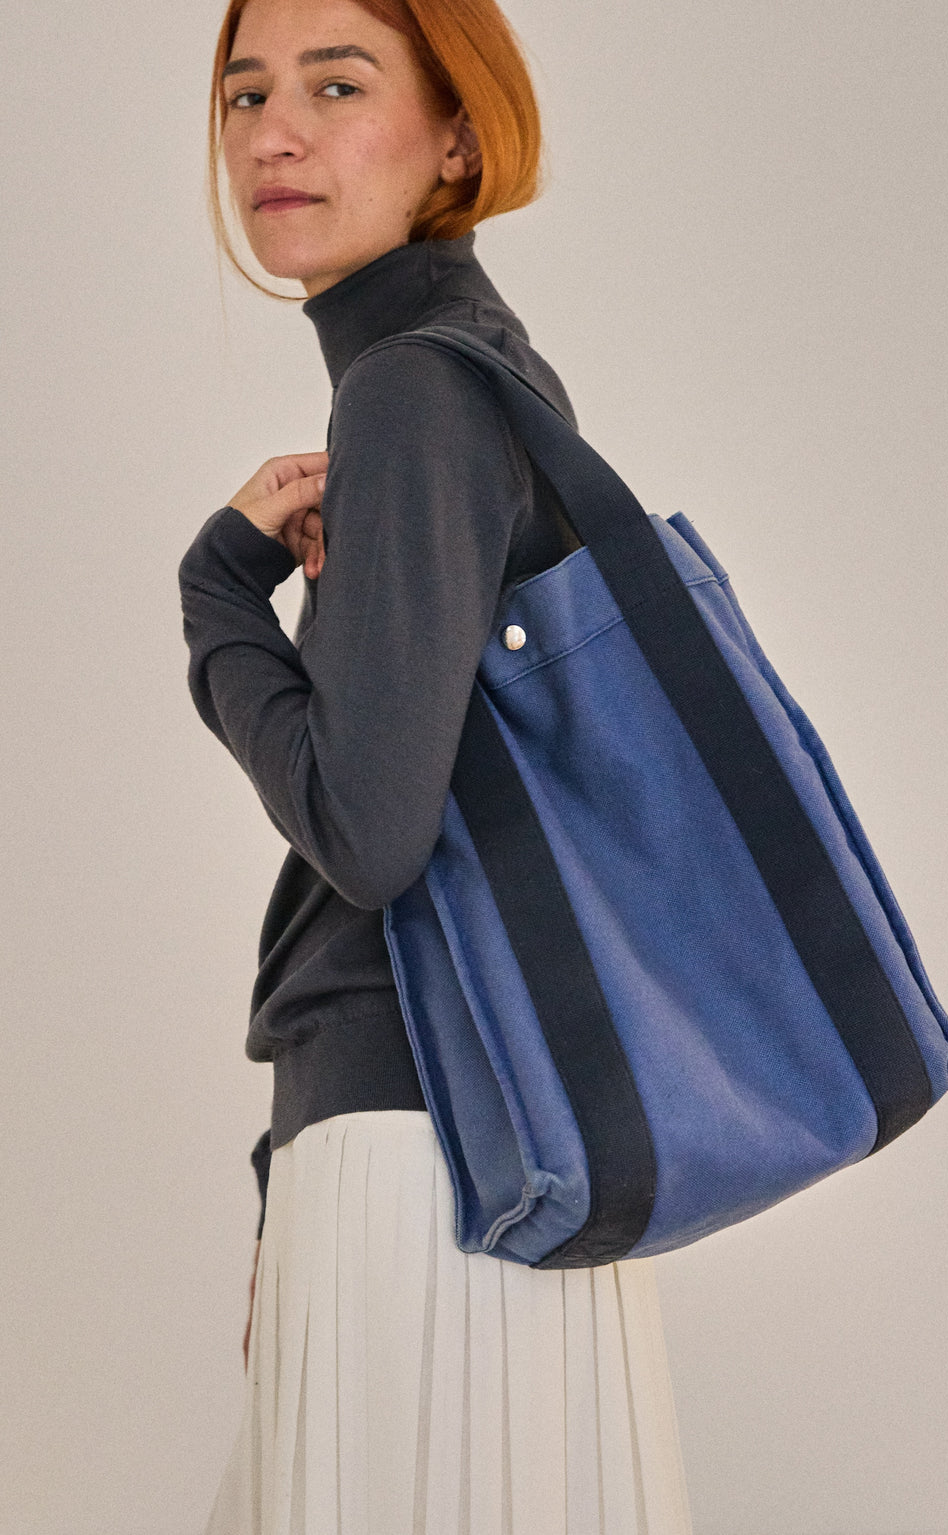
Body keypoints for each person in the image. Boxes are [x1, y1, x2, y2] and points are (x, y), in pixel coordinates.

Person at [178, 0, 694, 1529]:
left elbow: (370, 826)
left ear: (457, 135)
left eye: (338, 86)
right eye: (245, 91)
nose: (275, 132)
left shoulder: (411, 385)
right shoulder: (471, 371)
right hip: (492, 1136)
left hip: (429, 1166)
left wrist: (219, 602)